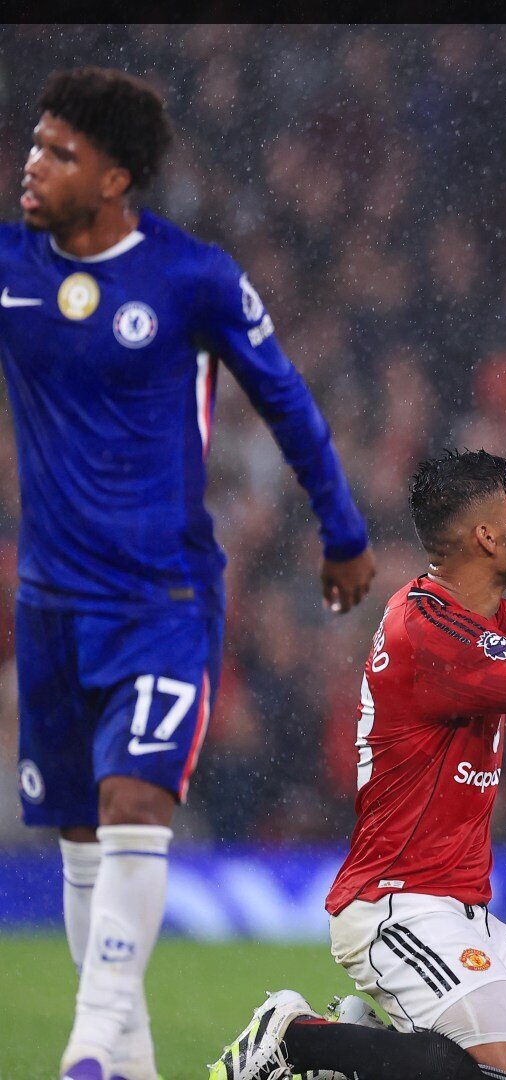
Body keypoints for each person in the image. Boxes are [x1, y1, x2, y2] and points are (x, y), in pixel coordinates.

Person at [0, 67, 377, 1080]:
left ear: (114, 178)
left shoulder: (191, 278)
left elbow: (286, 399)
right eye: (34, 144)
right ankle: (127, 1057)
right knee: (80, 832)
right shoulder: (11, 268)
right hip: (49, 608)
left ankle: (89, 1046)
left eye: (60, 152)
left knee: (135, 804)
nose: (33, 164)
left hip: (162, 600)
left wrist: (342, 531)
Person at [212, 454, 506, 1080]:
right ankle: (297, 1041)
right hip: (397, 904)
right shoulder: (428, 631)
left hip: (462, 910)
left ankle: (362, 1045)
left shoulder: (477, 618)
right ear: (486, 537)